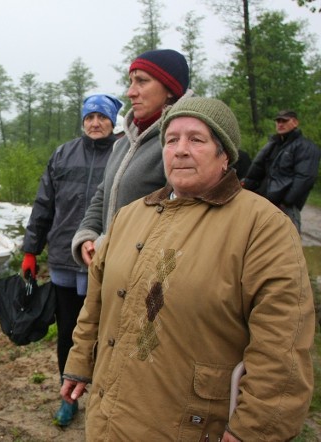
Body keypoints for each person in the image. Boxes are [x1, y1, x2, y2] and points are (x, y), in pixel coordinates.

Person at [61, 97, 315, 441]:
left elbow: (282, 346)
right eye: (171, 140)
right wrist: (79, 363)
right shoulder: (130, 215)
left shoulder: (263, 226)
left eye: (196, 140)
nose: (180, 150)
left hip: (187, 426)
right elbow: (97, 300)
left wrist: (252, 430)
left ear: (224, 155)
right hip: (107, 418)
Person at [21, 93, 123, 427]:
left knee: (109, 332)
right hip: (65, 258)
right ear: (83, 121)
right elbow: (43, 205)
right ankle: (69, 397)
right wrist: (30, 250)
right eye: (89, 117)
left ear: (113, 121)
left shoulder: (124, 154)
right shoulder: (63, 154)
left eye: (102, 117)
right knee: (69, 332)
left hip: (109, 261)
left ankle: (107, 398)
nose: (95, 123)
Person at [71, 49, 193, 267]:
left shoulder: (181, 145)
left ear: (170, 89)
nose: (130, 92)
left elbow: (177, 220)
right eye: (130, 82)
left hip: (152, 276)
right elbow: (103, 194)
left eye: (141, 81)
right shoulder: (123, 143)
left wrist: (106, 245)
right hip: (112, 268)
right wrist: (87, 234)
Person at [241, 110, 321, 232]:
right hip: (263, 202)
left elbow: (305, 177)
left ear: (295, 122)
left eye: (284, 120)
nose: (280, 124)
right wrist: (247, 187)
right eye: (278, 121)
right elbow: (258, 170)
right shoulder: (273, 144)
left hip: (285, 206)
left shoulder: (305, 147)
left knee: (288, 244)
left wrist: (286, 202)